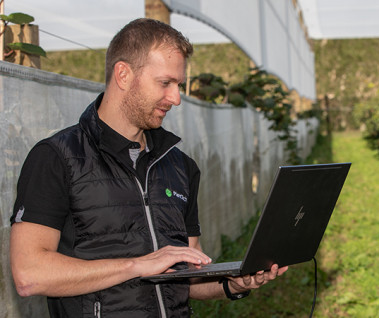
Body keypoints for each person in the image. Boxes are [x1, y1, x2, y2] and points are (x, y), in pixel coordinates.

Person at [9, 18, 287, 317]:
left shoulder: (180, 166)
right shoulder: (57, 157)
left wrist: (234, 283)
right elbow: (30, 273)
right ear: (124, 74)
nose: (176, 98)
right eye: (165, 83)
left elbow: (186, 278)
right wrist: (138, 265)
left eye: (178, 85)